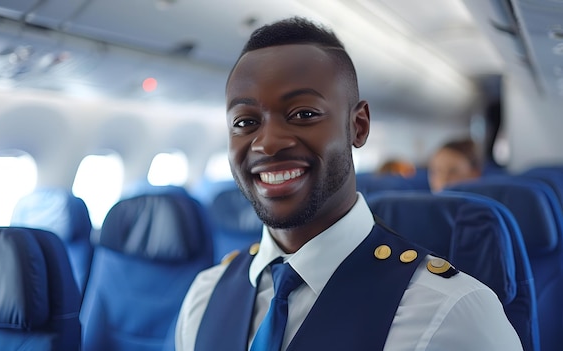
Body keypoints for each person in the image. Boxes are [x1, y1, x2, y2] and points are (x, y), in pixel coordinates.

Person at [174, 17, 522, 350]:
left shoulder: (454, 316)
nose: (267, 143)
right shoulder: (203, 298)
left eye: (303, 114)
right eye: (245, 121)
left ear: (358, 126)